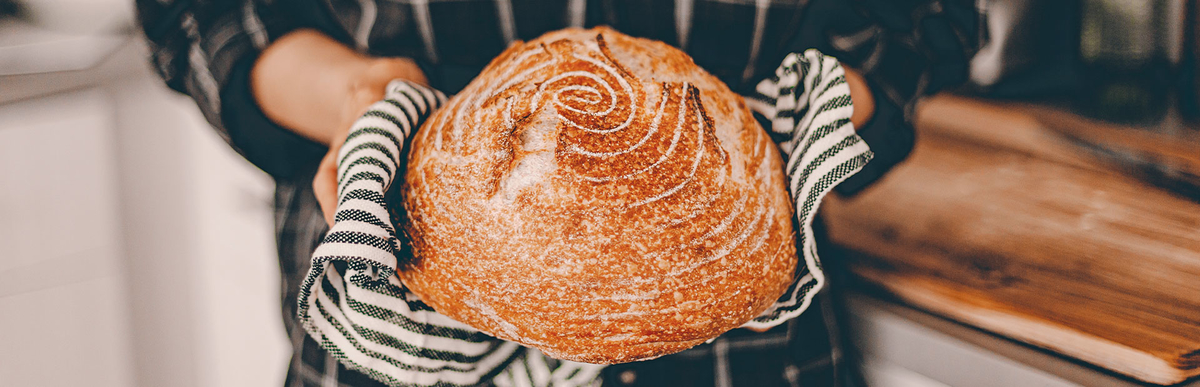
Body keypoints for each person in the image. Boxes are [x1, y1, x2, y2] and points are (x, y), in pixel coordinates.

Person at [136, 1, 978, 386]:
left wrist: (804, 121)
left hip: (749, 361)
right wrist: (359, 95)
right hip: (387, 364)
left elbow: (919, 18)